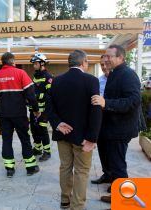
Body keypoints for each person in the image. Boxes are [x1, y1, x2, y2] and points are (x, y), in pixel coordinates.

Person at [47, 50, 102, 210]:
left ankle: (65, 201)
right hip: (83, 137)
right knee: (82, 171)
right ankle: (77, 206)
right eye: (87, 62)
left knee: (65, 167)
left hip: (62, 134)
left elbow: (49, 106)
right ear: (83, 62)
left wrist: (57, 123)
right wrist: (92, 138)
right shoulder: (91, 81)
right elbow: (96, 110)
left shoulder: (56, 81)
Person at [91, 44, 141, 203]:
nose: (105, 59)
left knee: (118, 165)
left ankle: (121, 199)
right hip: (111, 127)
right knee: (110, 160)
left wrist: (106, 103)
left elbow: (133, 101)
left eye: (109, 56)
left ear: (120, 57)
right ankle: (111, 181)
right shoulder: (114, 73)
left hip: (120, 128)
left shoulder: (128, 75)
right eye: (105, 56)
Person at [0, 52, 40, 178]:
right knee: (25, 139)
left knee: (6, 140)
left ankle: (9, 169)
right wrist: (35, 109)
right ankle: (30, 168)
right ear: (12, 61)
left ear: (2, 62)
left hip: (4, 114)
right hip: (19, 114)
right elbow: (31, 95)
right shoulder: (21, 73)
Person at [91, 55, 112, 185]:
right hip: (101, 119)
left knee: (114, 152)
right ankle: (107, 174)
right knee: (102, 148)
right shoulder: (99, 81)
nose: (104, 67)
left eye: (106, 64)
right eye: (102, 65)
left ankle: (115, 178)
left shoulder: (119, 79)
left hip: (115, 120)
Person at [29, 53, 53, 162]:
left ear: (42, 63)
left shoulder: (48, 77)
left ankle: (47, 151)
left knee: (42, 130)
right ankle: (38, 148)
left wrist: (37, 96)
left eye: (35, 63)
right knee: (34, 129)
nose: (34, 65)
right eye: (33, 63)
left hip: (43, 110)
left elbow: (50, 94)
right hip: (33, 109)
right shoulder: (35, 76)